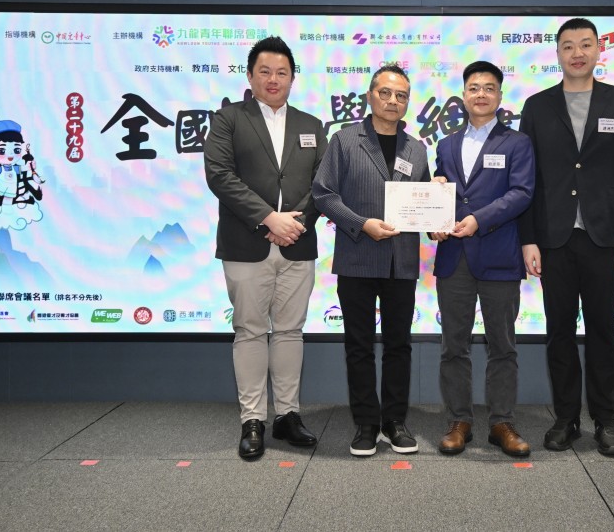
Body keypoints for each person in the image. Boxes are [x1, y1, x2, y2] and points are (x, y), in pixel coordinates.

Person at [519, 18, 614, 457]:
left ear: (598, 50)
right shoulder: (537, 107)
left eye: (586, 44)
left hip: (605, 238)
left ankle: (606, 421)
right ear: (557, 53)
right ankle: (565, 418)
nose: (577, 53)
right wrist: (528, 238)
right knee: (558, 332)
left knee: (602, 331)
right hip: (553, 239)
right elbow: (527, 180)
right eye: (568, 46)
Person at [204, 35, 327, 460]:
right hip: (245, 243)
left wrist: (296, 223)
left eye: (282, 72)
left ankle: (288, 415)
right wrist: (268, 219)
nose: (274, 79)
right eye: (265, 72)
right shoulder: (229, 119)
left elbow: (323, 184)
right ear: (250, 75)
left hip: (298, 244)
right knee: (251, 331)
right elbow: (220, 175)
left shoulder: (312, 125)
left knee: (291, 331)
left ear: (293, 78)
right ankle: (252, 419)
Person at [312, 63, 430, 457]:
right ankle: (365, 423)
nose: (393, 101)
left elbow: (424, 204)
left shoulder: (417, 149)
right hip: (357, 256)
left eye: (401, 96)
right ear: (370, 96)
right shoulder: (344, 141)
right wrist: (362, 224)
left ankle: (394, 422)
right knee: (359, 346)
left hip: (401, 261)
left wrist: (438, 210)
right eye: (386, 93)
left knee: (399, 345)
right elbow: (324, 194)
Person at [429, 61, 535, 457]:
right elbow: (439, 193)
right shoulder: (446, 145)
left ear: (500, 96)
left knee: (502, 346)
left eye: (489, 88)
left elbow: (522, 193)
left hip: (499, 256)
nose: (481, 94)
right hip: (453, 257)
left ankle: (501, 423)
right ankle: (459, 420)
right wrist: (434, 221)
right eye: (474, 87)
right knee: (453, 346)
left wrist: (479, 220)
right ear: (463, 95)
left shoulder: (517, 143)